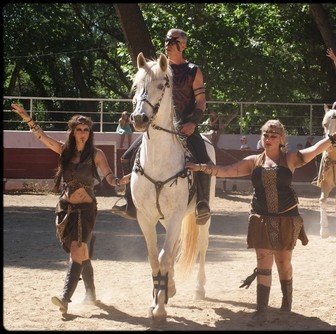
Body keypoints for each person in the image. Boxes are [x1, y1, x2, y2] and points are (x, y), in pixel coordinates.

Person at [186, 119, 336, 325]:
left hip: (286, 218)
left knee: (283, 263)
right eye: (266, 134)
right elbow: (227, 170)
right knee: (263, 263)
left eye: (274, 135)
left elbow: (315, 149)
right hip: (261, 219)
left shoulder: (291, 159)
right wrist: (201, 167)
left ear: (282, 138)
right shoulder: (253, 161)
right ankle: (261, 311)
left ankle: (286, 303)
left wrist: (333, 137)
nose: (269, 138)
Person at [11, 103, 131, 316]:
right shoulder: (64, 151)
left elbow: (109, 178)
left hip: (86, 210)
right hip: (65, 208)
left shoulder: (96, 154)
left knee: (77, 250)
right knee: (81, 253)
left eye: (86, 130)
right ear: (73, 132)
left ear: (89, 133)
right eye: (79, 129)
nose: (83, 133)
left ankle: (65, 298)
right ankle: (91, 293)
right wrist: (27, 117)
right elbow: (42, 137)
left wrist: (120, 181)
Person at [113, 28, 212, 225]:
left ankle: (202, 203)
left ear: (182, 45)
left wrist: (193, 122)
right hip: (158, 127)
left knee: (203, 158)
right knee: (127, 157)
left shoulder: (193, 70)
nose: (167, 43)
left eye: (172, 40)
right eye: (166, 40)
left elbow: (201, 101)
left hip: (186, 126)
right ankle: (130, 202)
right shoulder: (158, 69)